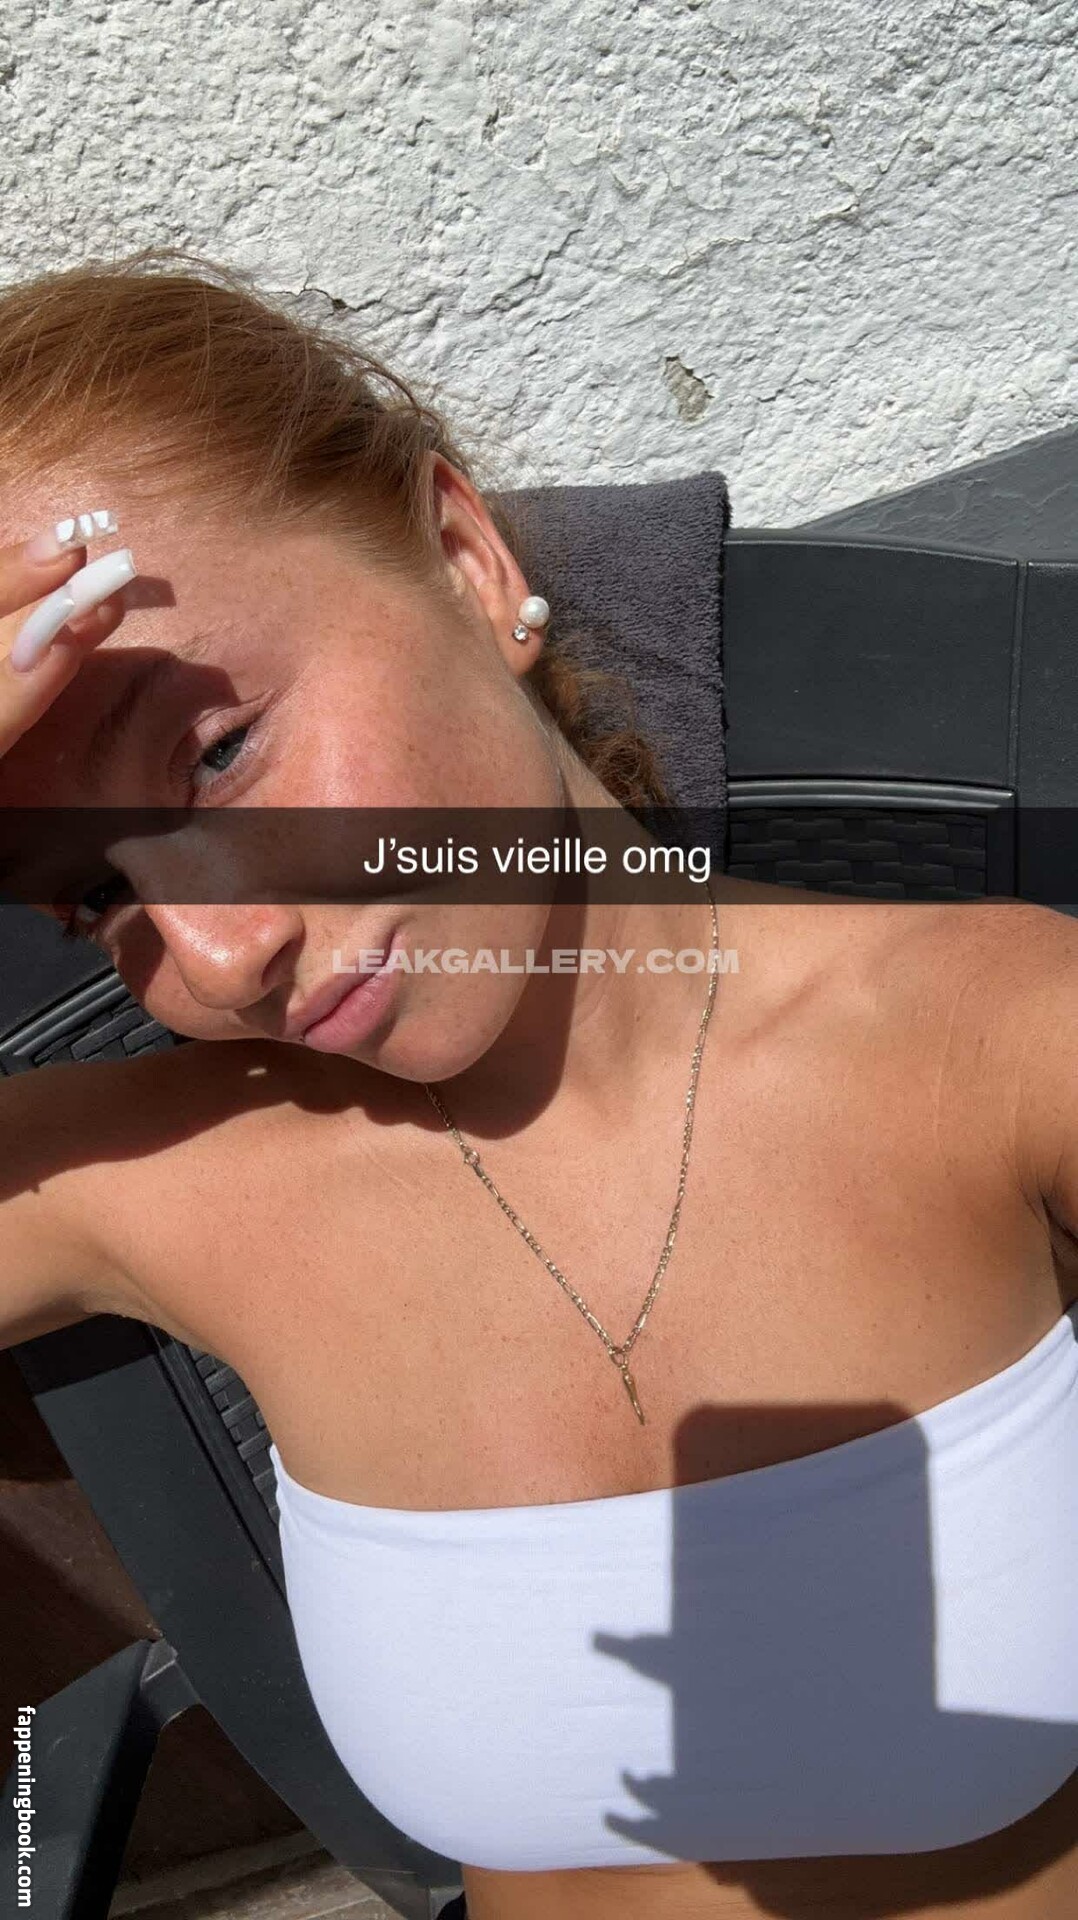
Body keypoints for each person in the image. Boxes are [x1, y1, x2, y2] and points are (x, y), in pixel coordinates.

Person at [0, 247, 1075, 1920]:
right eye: (96, 897)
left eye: (217, 753)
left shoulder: (991, 1042)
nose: (219, 956)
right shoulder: (167, 1185)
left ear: (463, 556)